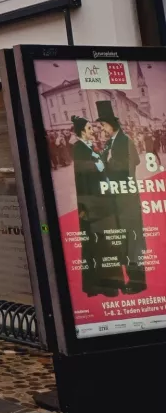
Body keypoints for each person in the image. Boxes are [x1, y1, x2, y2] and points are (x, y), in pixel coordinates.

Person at [96, 100, 147, 295]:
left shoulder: (124, 141)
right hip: (117, 198)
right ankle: (127, 279)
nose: (102, 129)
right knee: (122, 241)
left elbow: (130, 163)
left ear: (112, 124)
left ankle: (138, 282)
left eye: (103, 125)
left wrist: (108, 162)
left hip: (127, 199)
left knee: (132, 240)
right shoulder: (111, 142)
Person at [70, 116, 120, 296]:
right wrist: (96, 165)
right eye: (90, 129)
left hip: (99, 202)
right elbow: (80, 174)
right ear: (82, 131)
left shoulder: (88, 146)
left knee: (101, 244)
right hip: (93, 205)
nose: (93, 131)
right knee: (99, 244)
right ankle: (101, 285)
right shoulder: (78, 148)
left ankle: (101, 284)